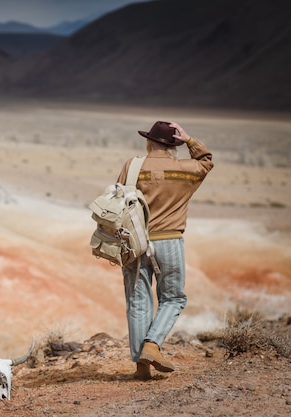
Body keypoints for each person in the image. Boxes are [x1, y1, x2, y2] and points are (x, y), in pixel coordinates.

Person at [116, 120, 214, 380]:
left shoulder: (132, 166)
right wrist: (191, 141)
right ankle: (152, 345)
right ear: (174, 145)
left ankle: (141, 367)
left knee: (138, 301)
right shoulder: (186, 170)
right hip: (169, 241)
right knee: (173, 298)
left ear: (149, 142)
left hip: (135, 242)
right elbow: (206, 161)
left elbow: (118, 200)